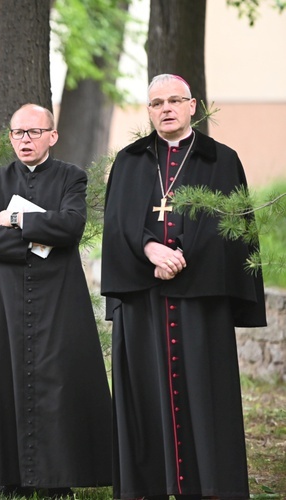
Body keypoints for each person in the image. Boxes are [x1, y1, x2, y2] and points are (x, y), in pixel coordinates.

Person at [101, 74, 267, 500]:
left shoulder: (221, 159)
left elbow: (231, 228)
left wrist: (180, 258)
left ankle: (210, 485)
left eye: (175, 100)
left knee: (205, 390)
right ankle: (147, 487)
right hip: (144, 298)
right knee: (144, 393)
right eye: (157, 103)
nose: (166, 108)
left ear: (194, 106)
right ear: (149, 110)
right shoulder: (130, 159)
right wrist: (150, 250)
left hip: (200, 300)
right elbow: (118, 221)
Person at [0, 104, 112, 497]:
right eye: (18, 133)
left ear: (52, 135)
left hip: (57, 296)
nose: (25, 140)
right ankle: (9, 478)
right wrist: (38, 236)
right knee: (5, 377)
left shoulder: (71, 177)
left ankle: (55, 480)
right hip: (6, 297)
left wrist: (15, 221)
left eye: (33, 132)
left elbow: (70, 226)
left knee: (56, 382)